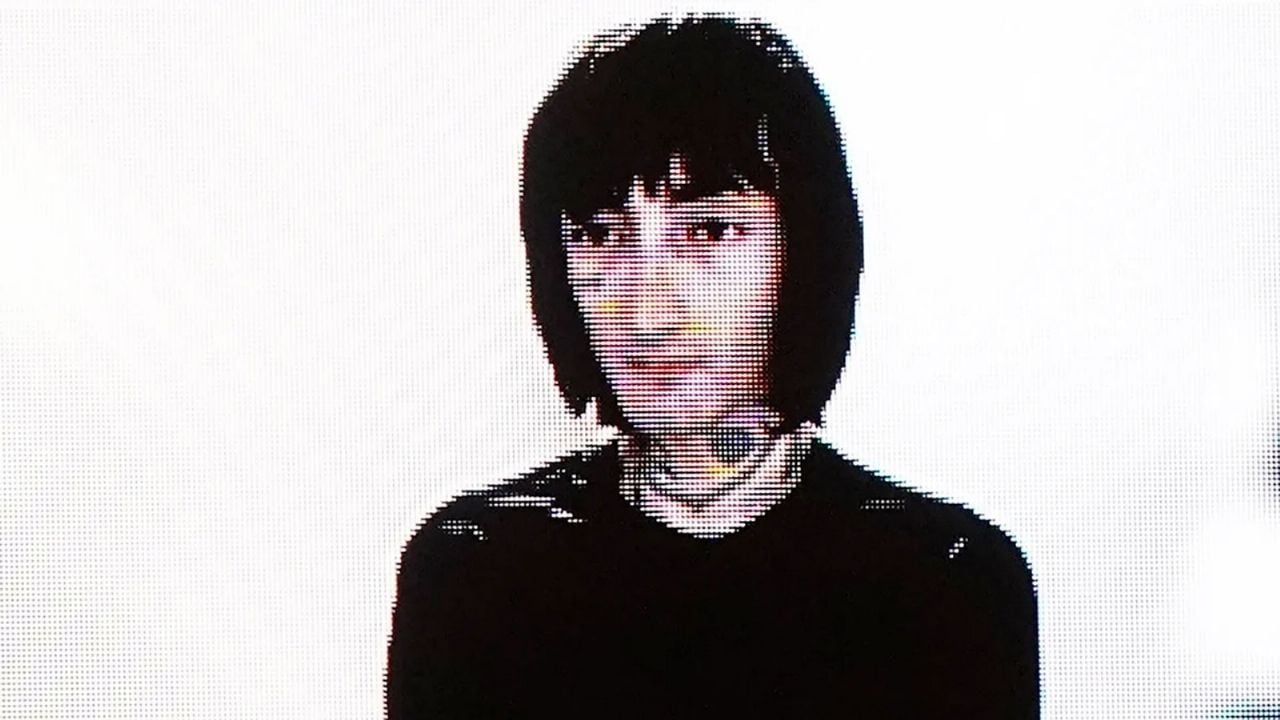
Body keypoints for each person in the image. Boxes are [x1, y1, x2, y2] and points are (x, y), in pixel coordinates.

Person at [385, 14, 1039, 718]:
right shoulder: (477, 572)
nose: (647, 311)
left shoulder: (943, 581)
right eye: (602, 236)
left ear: (803, 253)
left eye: (707, 231)